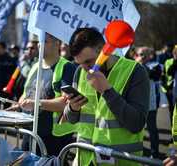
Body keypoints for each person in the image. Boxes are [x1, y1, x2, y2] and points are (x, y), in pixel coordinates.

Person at [64, 28, 150, 165]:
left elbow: (136, 123)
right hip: (85, 159)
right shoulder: (79, 71)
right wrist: (72, 108)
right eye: (80, 63)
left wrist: (106, 90)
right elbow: (72, 119)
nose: (86, 69)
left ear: (103, 49)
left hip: (121, 160)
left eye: (88, 62)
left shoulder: (135, 71)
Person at [7, 33, 76, 156]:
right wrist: (19, 105)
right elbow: (26, 94)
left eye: (45, 41)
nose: (40, 44)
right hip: (30, 133)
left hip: (54, 138)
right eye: (39, 41)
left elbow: (66, 103)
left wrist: (36, 104)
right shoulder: (34, 67)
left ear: (57, 43)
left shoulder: (67, 67)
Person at [136, 46, 161, 159]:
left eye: (143, 55)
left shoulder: (154, 66)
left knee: (152, 130)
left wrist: (141, 64)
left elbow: (154, 75)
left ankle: (155, 153)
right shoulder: (134, 66)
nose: (141, 57)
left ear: (148, 56)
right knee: (136, 129)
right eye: (139, 54)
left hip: (150, 105)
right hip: (137, 104)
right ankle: (138, 151)